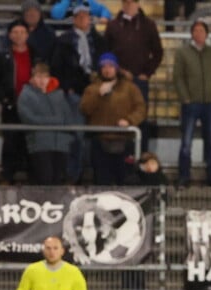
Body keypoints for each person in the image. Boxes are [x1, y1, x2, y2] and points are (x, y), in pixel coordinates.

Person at [51, 0, 107, 183]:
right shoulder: (64, 41)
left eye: (86, 16)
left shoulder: (98, 40)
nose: (84, 20)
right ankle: (75, 173)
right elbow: (57, 66)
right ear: (74, 19)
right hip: (74, 92)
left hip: (94, 91)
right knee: (76, 134)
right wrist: (67, 86)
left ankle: (90, 170)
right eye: (80, 17)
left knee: (92, 134)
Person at [104, 0, 163, 152]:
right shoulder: (113, 25)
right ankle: (121, 159)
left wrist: (146, 73)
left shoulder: (148, 25)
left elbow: (158, 52)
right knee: (118, 117)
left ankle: (141, 156)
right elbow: (106, 52)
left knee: (140, 118)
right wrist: (117, 71)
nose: (129, 5)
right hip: (118, 81)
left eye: (132, 2)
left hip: (139, 81)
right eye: (126, 2)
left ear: (138, 4)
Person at [80, 52, 146, 186]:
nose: (107, 69)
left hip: (124, 140)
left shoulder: (130, 88)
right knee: (101, 180)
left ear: (116, 68)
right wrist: (98, 95)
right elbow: (85, 109)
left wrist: (129, 120)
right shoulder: (92, 88)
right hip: (100, 141)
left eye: (110, 66)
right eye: (104, 66)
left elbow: (141, 108)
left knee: (125, 180)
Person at [173, 19, 211, 188]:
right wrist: (185, 98)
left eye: (201, 31)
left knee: (210, 142)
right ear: (192, 34)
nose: (198, 34)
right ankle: (183, 176)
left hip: (210, 103)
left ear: (206, 34)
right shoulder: (183, 53)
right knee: (186, 142)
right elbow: (178, 77)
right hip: (191, 103)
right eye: (195, 30)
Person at [0, 19, 34, 185]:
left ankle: (31, 175)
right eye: (15, 32)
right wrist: (4, 98)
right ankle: (7, 174)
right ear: (9, 35)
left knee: (31, 140)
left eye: (22, 32)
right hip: (11, 104)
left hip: (32, 105)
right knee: (10, 141)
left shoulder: (36, 55)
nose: (19, 35)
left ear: (27, 35)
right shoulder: (3, 56)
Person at [17, 63, 76, 185]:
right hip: (40, 145)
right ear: (32, 78)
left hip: (61, 145)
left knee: (58, 182)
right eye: (38, 77)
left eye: (44, 76)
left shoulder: (59, 95)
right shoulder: (26, 95)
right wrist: (56, 121)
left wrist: (67, 138)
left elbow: (68, 118)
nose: (41, 80)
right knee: (44, 180)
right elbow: (30, 119)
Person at [21, 0, 57, 64]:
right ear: (23, 15)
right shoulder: (16, 30)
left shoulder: (48, 33)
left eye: (35, 11)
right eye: (28, 11)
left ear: (40, 14)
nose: (32, 14)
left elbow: (52, 56)